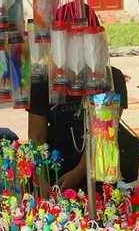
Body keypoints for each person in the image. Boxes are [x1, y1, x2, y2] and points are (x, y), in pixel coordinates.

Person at [28, 67, 128, 195]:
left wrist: (78, 172)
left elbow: (104, 132)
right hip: (56, 167)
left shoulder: (110, 77)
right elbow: (36, 136)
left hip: (97, 167)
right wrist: (40, 179)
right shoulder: (44, 80)